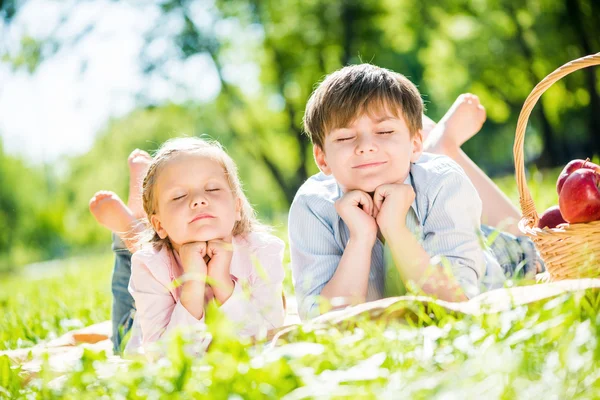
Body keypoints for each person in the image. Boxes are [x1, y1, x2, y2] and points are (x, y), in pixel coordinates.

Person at [289, 64, 542, 320]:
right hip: (434, 217)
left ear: (414, 144)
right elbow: (321, 323)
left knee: (538, 243)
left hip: (499, 258)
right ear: (322, 159)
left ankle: (442, 146)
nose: (365, 147)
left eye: (385, 131)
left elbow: (457, 304)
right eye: (345, 137)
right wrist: (361, 238)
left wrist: (395, 229)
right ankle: (439, 142)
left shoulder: (442, 180)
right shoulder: (312, 206)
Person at [90, 137, 285, 352]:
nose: (199, 200)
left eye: (212, 189)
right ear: (160, 224)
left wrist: (222, 282)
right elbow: (161, 354)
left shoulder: (262, 251)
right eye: (179, 196)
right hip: (141, 328)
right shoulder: (150, 264)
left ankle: (136, 222)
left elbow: (269, 334)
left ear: (237, 206)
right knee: (122, 337)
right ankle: (130, 230)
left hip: (162, 239)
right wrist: (192, 284)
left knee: (143, 245)